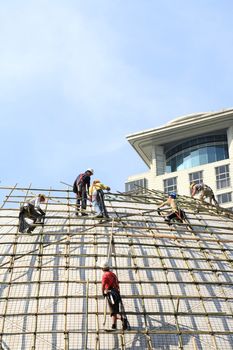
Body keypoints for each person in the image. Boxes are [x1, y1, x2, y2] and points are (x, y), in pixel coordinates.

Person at [102, 261, 128, 330]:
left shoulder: (105, 275)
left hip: (111, 294)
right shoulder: (113, 274)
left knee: (113, 311)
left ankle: (122, 318)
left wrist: (103, 293)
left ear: (102, 269)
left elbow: (103, 285)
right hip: (116, 293)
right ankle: (114, 325)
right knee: (115, 310)